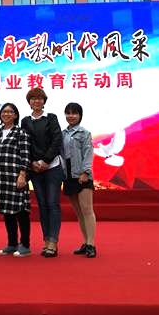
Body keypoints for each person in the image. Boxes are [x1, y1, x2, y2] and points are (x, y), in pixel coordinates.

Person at [20, 87, 64, 258]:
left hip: (52, 167)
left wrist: (46, 161)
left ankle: (53, 242)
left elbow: (57, 140)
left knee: (53, 204)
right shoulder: (25, 121)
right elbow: (25, 144)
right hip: (35, 169)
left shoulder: (51, 118)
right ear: (29, 102)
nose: (36, 101)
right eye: (33, 98)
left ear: (44, 101)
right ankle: (46, 240)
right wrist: (31, 162)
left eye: (39, 98)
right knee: (42, 205)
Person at [0, 103, 32, 257]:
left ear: (15, 115)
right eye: (4, 111)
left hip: (16, 177)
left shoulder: (21, 133)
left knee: (21, 212)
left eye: (10, 112)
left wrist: (23, 174)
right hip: (2, 179)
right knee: (7, 212)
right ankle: (12, 243)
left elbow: (26, 155)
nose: (6, 114)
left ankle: (25, 244)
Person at [62, 102, 97, 258]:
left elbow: (88, 153)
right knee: (79, 212)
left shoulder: (84, 133)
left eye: (74, 113)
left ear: (80, 115)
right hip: (68, 176)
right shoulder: (62, 134)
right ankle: (85, 241)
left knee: (87, 210)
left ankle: (91, 244)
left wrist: (85, 172)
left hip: (82, 176)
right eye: (68, 113)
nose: (71, 116)